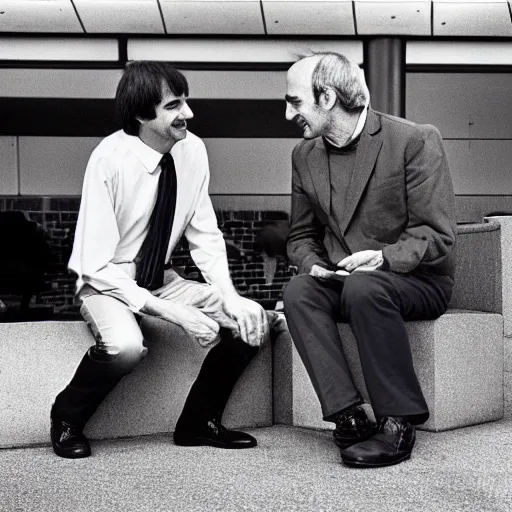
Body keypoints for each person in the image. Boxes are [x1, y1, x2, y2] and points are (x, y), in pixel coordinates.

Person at [50, 61, 269, 459]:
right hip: (106, 282)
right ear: (141, 115)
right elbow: (93, 264)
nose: (188, 113)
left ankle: (198, 422)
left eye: (185, 101)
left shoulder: (193, 150)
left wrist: (230, 296)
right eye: (173, 106)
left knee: (251, 320)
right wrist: (174, 313)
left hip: (161, 278)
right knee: (126, 346)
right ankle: (66, 419)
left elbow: (204, 234)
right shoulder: (108, 159)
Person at [282, 53, 456, 468]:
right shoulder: (303, 156)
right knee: (299, 290)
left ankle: (398, 422)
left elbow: (437, 237)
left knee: (364, 285)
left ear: (326, 98)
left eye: (294, 101)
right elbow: (301, 237)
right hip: (347, 280)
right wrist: (313, 265)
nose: (287, 113)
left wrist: (383, 259)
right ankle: (349, 416)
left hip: (416, 280)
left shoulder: (415, 140)